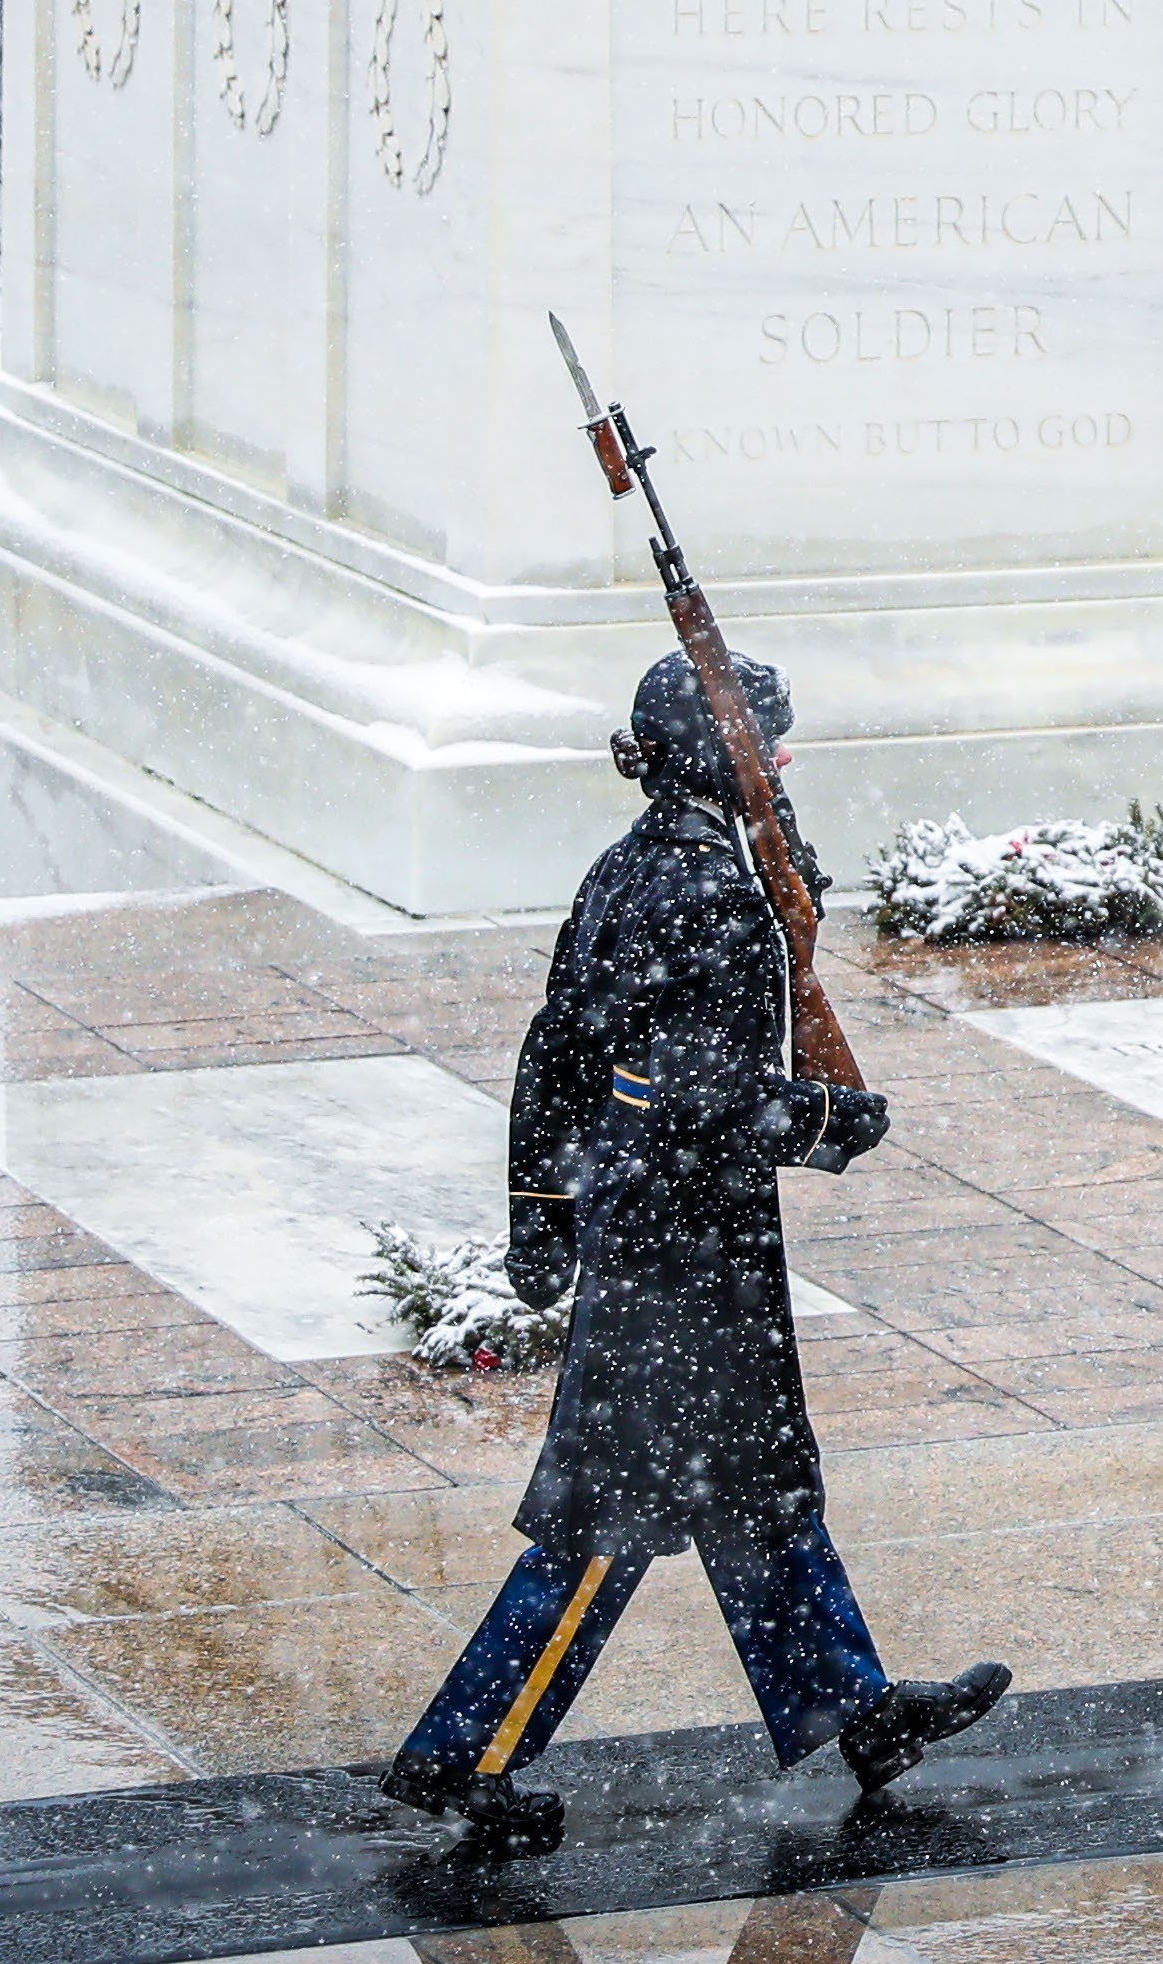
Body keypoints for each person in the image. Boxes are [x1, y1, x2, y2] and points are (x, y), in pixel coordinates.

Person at [379, 651, 1010, 1854]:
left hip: (663, 1237)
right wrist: (824, 1121)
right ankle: (466, 1755)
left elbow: (555, 1049)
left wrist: (542, 1207)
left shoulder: (636, 866)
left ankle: (860, 1713)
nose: (784, 758)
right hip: (682, 1259)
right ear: (727, 756)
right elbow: (697, 1098)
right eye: (768, 741)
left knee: (758, 1491)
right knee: (604, 1528)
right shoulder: (712, 893)